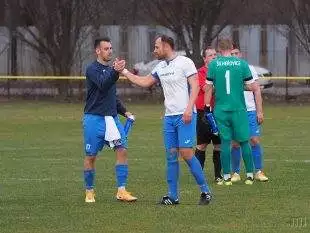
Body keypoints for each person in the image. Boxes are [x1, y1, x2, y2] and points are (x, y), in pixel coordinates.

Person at [121, 34, 211, 205]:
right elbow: (145, 82)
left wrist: (188, 109)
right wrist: (124, 71)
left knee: (186, 153)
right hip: (169, 117)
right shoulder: (160, 67)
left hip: (185, 115)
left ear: (166, 46)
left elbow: (195, 86)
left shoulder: (185, 62)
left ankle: (205, 191)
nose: (154, 50)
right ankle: (172, 195)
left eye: (156, 47)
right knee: (171, 155)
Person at [83, 37, 137, 203]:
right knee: (91, 156)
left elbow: (111, 96)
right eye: (106, 48)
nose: (110, 51)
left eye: (111, 48)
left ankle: (121, 191)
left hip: (111, 119)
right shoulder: (92, 69)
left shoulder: (111, 72)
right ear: (97, 51)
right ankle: (89, 191)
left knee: (122, 150)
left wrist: (125, 112)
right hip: (94, 119)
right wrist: (115, 71)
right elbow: (102, 85)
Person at [204, 38, 263, 186]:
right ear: (231, 48)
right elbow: (251, 87)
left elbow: (208, 88)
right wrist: (242, 86)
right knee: (244, 141)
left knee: (225, 143)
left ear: (218, 49)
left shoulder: (214, 64)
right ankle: (249, 176)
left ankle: (226, 177)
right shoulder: (242, 64)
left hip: (221, 109)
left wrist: (206, 107)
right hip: (239, 109)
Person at [230, 44, 268, 182]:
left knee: (254, 140)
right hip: (234, 111)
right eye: (231, 53)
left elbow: (257, 91)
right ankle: (235, 173)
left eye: (236, 53)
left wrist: (260, 111)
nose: (234, 56)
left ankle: (258, 171)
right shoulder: (226, 70)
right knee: (235, 143)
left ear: (240, 54)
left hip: (250, 111)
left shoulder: (249, 69)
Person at [195, 47, 223, 185]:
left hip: (218, 112)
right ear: (205, 59)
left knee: (218, 145)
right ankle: (198, 175)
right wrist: (216, 83)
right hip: (203, 113)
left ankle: (218, 175)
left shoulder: (221, 71)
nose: (213, 57)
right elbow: (205, 88)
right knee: (202, 145)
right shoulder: (200, 72)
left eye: (215, 55)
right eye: (210, 55)